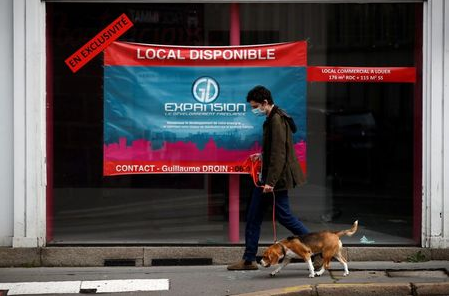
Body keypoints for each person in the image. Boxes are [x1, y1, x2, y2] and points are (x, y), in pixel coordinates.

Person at [227, 85, 309, 271]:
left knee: (285, 217)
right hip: (268, 178)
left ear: (265, 103)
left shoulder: (276, 120)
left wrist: (270, 182)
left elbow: (279, 155)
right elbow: (274, 150)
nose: (253, 110)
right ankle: (249, 260)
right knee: (253, 216)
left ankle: (319, 249)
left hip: (275, 181)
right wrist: (262, 156)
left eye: (255, 106)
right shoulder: (273, 117)